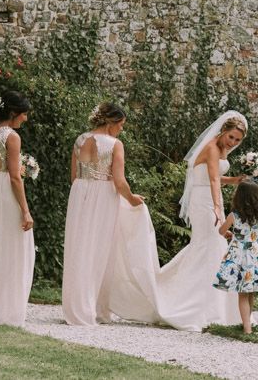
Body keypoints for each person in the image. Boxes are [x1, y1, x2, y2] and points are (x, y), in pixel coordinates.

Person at [107, 111, 247, 331]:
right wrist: (218, 208)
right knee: (210, 247)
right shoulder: (211, 147)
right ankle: (199, 306)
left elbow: (216, 178)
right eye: (231, 137)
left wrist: (236, 180)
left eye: (238, 140)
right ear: (223, 131)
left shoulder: (219, 149)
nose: (233, 143)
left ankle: (213, 306)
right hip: (205, 202)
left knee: (208, 248)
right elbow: (211, 179)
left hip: (211, 198)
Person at [62, 102, 144, 325]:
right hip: (103, 196)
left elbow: (73, 176)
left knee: (79, 247)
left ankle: (77, 306)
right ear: (111, 123)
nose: (122, 129)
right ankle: (96, 307)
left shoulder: (80, 139)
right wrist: (132, 199)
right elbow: (119, 181)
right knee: (99, 249)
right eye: (121, 125)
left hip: (79, 192)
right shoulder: (115, 144)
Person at [0, 91, 35, 327]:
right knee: (12, 247)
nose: (25, 119)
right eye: (24, 114)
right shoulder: (11, 137)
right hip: (5, 194)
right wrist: (25, 210)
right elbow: (15, 178)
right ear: (13, 113)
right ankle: (5, 307)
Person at [214, 180, 258, 334]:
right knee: (250, 291)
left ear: (238, 197)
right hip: (256, 254)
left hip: (239, 255)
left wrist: (233, 234)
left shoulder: (234, 215)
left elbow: (221, 231)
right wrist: (255, 243)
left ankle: (247, 328)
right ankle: (248, 323)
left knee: (242, 293)